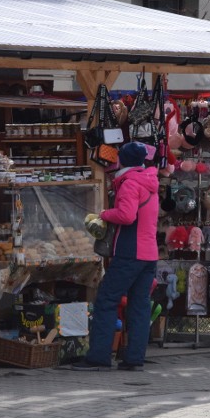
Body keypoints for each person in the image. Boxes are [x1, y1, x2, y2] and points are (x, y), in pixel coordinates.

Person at [72, 141, 159, 371]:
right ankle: (134, 359)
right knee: (140, 306)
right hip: (149, 254)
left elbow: (127, 215)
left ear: (122, 161)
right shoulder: (149, 182)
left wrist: (104, 214)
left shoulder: (130, 183)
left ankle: (99, 356)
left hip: (130, 253)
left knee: (107, 299)